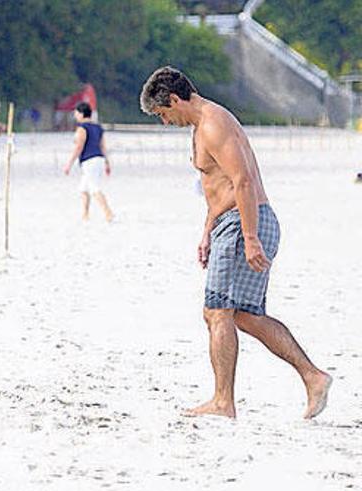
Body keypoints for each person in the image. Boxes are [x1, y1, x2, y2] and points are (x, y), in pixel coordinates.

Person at [139, 66, 331, 419]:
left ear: (173, 99)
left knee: (216, 311)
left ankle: (223, 402)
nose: (166, 122)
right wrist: (207, 230)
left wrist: (250, 237)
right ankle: (313, 377)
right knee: (244, 315)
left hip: (245, 223)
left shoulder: (212, 124)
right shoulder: (203, 125)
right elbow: (220, 189)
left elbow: (243, 182)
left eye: (164, 114)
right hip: (233, 223)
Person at [63, 102, 115, 222]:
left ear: (81, 114)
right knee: (83, 188)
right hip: (99, 159)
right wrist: (107, 163)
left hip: (89, 160)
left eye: (76, 113)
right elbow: (102, 146)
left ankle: (108, 212)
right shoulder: (98, 128)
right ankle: (85, 215)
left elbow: (79, 147)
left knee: (94, 188)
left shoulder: (82, 128)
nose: (75, 116)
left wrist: (69, 164)